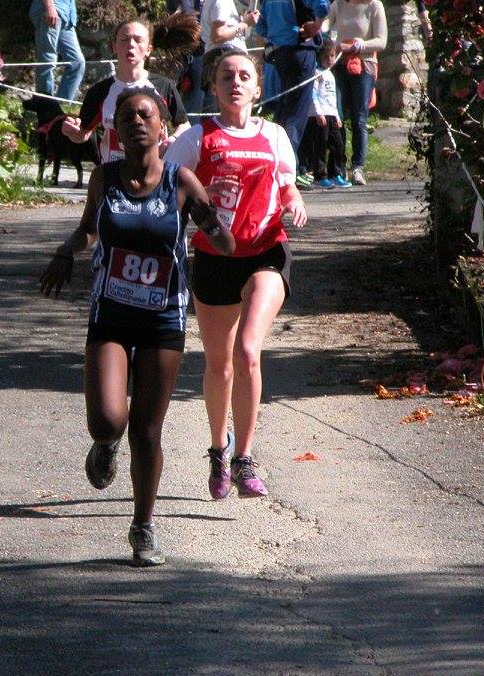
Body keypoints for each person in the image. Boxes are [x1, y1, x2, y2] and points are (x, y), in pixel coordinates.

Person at [40, 88, 234, 567]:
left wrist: (215, 225)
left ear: (162, 127)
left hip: (162, 316)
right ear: (116, 131)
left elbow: (224, 242)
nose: (137, 123)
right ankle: (105, 445)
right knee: (108, 420)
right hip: (111, 311)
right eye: (127, 118)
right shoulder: (105, 177)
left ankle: (143, 527)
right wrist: (66, 250)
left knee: (147, 431)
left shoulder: (180, 180)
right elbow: (89, 229)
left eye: (146, 115)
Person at [164, 46, 307, 501]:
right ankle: (218, 450)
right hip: (214, 257)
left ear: (258, 88)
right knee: (219, 366)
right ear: (213, 87)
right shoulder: (198, 138)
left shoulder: (274, 135)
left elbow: (288, 185)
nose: (236, 83)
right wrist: (200, 197)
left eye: (245, 76)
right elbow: (166, 189)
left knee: (248, 350)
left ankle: (245, 458)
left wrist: (294, 201)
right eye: (226, 76)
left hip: (265, 250)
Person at [62, 19, 191, 162]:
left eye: (138, 40)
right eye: (124, 39)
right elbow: (82, 134)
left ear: (148, 50)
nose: (131, 45)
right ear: (114, 47)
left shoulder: (164, 86)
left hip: (153, 170)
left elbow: (184, 125)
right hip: (112, 171)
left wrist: (173, 139)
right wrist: (72, 132)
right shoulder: (100, 91)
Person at [253, 0, 331, 157]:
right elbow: (322, 5)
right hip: (300, 49)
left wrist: (278, 33)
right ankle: (286, 161)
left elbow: (260, 27)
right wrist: (316, 26)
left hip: (279, 54)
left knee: (283, 108)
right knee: (296, 112)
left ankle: (273, 156)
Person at [327, 0, 387, 186]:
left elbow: (381, 41)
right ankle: (339, 165)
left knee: (359, 118)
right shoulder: (338, 4)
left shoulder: (374, 5)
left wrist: (356, 46)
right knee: (337, 115)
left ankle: (357, 167)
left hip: (364, 66)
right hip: (339, 65)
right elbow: (326, 26)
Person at [305, 39, 352, 189]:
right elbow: (313, 94)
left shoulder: (331, 75)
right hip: (320, 115)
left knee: (338, 144)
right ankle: (319, 175)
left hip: (332, 115)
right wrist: (318, 113)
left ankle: (335, 173)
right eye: (326, 56)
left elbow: (332, 98)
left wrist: (337, 115)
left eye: (332, 56)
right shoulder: (316, 73)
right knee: (320, 145)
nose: (329, 59)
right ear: (320, 57)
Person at [29, 0, 86, 102]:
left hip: (66, 16)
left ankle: (61, 106)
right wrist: (50, 7)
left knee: (77, 62)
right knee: (48, 60)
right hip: (52, 11)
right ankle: (44, 104)